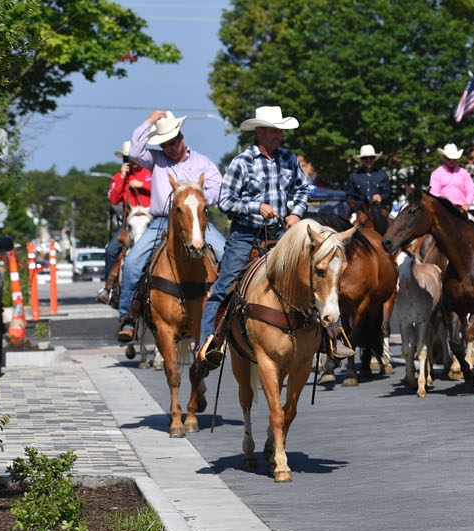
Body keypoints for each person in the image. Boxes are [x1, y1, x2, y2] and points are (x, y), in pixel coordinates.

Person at [195, 105, 352, 367]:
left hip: (281, 233)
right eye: (274, 131)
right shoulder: (241, 162)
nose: (279, 136)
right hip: (245, 235)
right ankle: (208, 345)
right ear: (259, 131)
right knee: (224, 287)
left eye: (280, 131)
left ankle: (335, 338)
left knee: (317, 274)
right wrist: (256, 207)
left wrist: (296, 213)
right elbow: (225, 201)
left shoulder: (289, 158)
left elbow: (304, 189)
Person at [114, 112, 226, 343]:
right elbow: (134, 152)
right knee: (133, 260)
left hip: (195, 220)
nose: (169, 148)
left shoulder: (202, 162)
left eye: (173, 142)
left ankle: (227, 315)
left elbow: (219, 188)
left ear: (182, 139)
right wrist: (148, 121)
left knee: (225, 252)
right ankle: (128, 316)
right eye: (164, 145)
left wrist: (197, 196)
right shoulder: (156, 159)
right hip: (162, 221)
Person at [98, 141, 152, 303]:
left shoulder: (149, 173)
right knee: (111, 251)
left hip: (151, 221)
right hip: (129, 224)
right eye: (127, 159)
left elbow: (160, 189)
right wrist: (122, 178)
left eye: (134, 158)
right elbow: (114, 199)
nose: (131, 162)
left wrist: (142, 185)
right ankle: (112, 289)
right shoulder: (118, 177)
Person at [429, 143, 474, 213]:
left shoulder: (464, 173)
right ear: (444, 157)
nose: (451, 161)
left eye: (453, 159)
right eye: (449, 158)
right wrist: (444, 202)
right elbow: (433, 193)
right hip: (443, 209)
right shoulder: (437, 173)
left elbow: (471, 191)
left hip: (461, 209)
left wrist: (467, 203)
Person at [346, 143, 391, 211]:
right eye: (365, 158)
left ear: (374, 159)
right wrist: (360, 205)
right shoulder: (354, 177)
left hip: (379, 210)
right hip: (360, 212)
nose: (368, 160)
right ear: (361, 160)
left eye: (371, 158)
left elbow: (387, 193)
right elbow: (349, 196)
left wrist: (381, 197)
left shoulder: (382, 175)